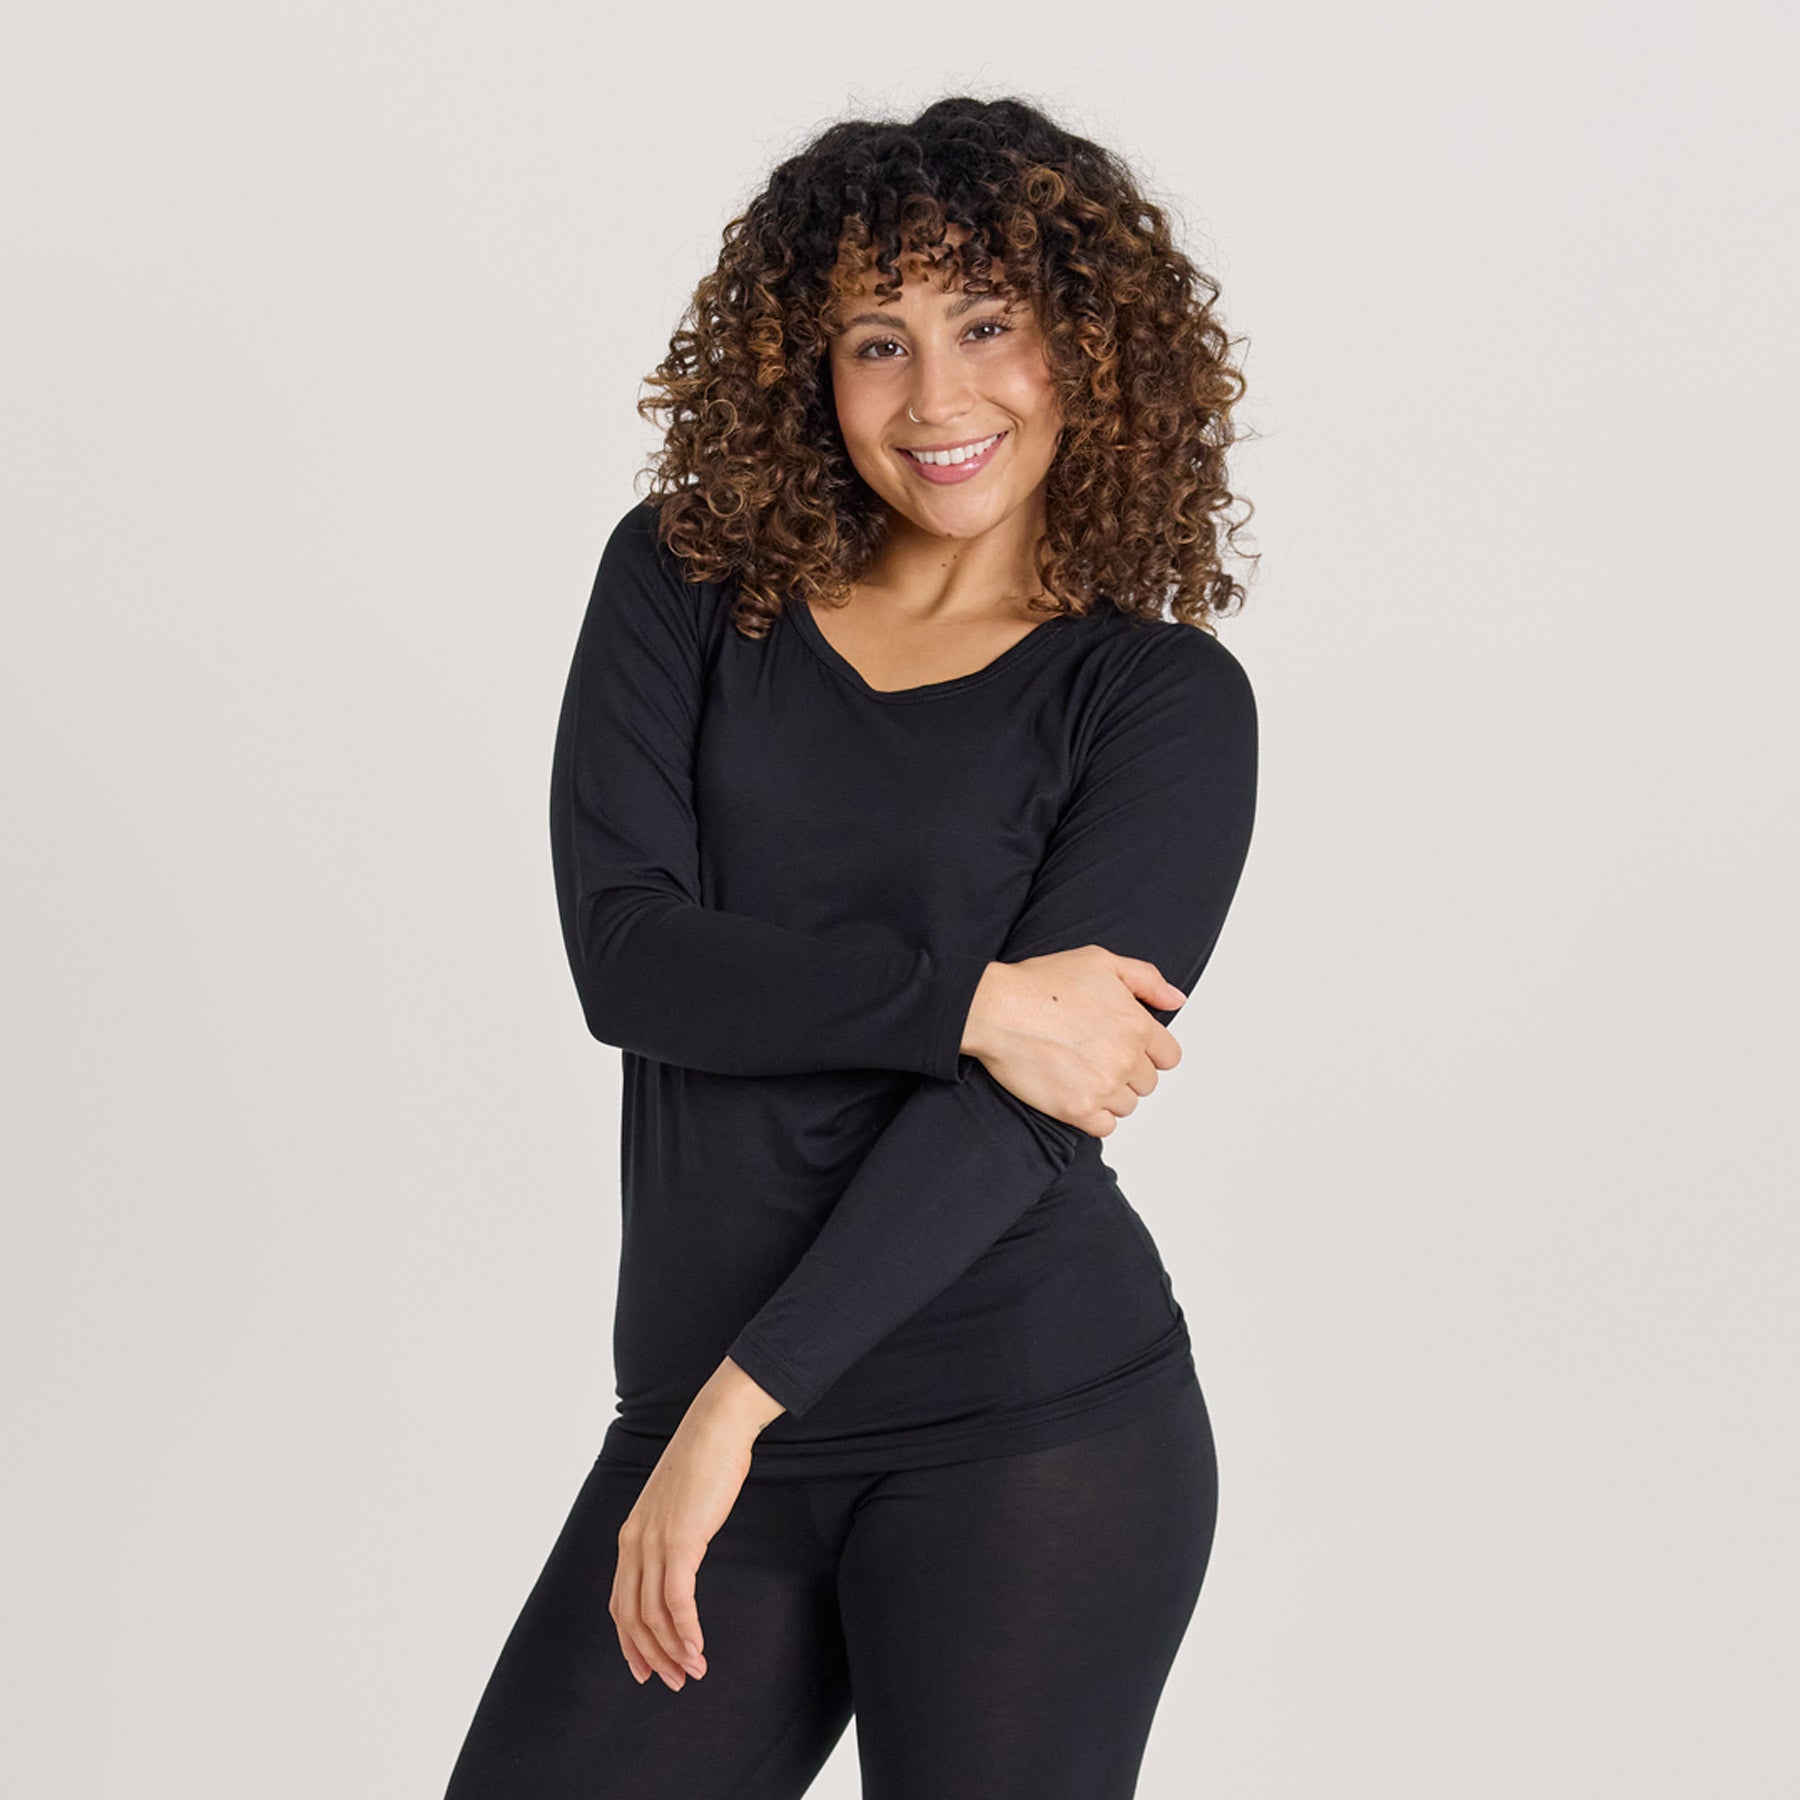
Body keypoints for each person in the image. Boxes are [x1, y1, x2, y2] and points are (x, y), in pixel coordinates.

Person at [443, 93, 1259, 1800]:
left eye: (987, 325)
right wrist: (970, 1003)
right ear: (807, 370)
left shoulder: (1159, 700)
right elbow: (630, 959)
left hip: (1027, 1424)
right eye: (878, 340)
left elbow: (1029, 1113)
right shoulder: (689, 578)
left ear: (1089, 349)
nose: (937, 397)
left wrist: (734, 1408)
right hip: (695, 1411)